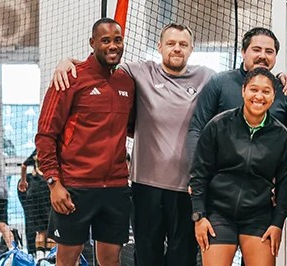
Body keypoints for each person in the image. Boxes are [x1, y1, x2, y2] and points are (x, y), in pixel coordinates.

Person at [48, 23, 220, 266]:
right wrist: (66, 61)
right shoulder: (137, 72)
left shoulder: (208, 77)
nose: (177, 49)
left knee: (182, 258)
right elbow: (100, 65)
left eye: (183, 44)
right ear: (159, 47)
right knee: (146, 256)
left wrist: (280, 79)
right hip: (144, 186)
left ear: (192, 49)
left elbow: (243, 86)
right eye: (171, 43)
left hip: (187, 188)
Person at [35, 18, 135, 266]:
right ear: (92, 43)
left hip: (115, 188)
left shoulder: (127, 82)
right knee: (67, 260)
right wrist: (53, 183)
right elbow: (46, 135)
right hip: (74, 187)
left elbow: (132, 127)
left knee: (111, 260)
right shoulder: (69, 78)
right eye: (105, 40)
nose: (113, 46)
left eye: (117, 40)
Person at [189, 68, 287, 266]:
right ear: (243, 91)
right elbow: (199, 175)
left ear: (273, 97)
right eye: (254, 89)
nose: (259, 96)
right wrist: (199, 216)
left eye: (266, 91)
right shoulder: (218, 125)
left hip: (259, 216)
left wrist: (277, 223)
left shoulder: (282, 136)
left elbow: (286, 185)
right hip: (218, 214)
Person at [188, 27, 287, 178]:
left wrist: (283, 182)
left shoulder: (286, 91)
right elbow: (197, 129)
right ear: (243, 52)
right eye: (256, 49)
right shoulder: (220, 83)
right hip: (219, 182)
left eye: (269, 51)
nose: (263, 56)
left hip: (264, 187)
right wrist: (195, 173)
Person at [17, 150, 52, 255]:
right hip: (45, 190)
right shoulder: (50, 152)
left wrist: (23, 181)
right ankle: (49, 257)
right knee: (50, 230)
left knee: (40, 230)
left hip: (35, 192)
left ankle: (39, 257)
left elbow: (24, 165)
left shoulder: (37, 152)